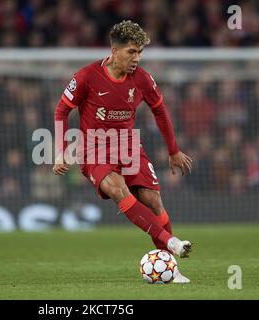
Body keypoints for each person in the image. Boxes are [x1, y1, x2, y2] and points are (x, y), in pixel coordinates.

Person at [52, 20, 193, 283]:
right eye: (131, 52)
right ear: (114, 51)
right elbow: (62, 110)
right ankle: (171, 242)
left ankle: (171, 271)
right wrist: (60, 151)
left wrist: (173, 151)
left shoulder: (142, 79)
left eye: (140, 52)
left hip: (129, 146)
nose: (136, 58)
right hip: (94, 148)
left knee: (153, 201)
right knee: (119, 191)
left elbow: (160, 111)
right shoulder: (86, 76)